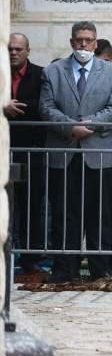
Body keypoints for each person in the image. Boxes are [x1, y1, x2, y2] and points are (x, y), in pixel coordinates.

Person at [39, 21, 112, 282]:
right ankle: (65, 269)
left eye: (88, 40)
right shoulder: (53, 71)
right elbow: (46, 108)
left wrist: (90, 124)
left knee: (101, 214)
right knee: (65, 213)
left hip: (100, 154)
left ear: (96, 43)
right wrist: (70, 128)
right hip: (64, 153)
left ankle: (102, 270)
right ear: (71, 42)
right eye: (79, 39)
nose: (83, 44)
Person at [5, 33, 45, 272]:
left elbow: (44, 106)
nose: (13, 52)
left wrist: (14, 107)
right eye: (10, 48)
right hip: (4, 150)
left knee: (31, 205)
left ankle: (30, 259)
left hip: (32, 151)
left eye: (18, 49)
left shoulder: (40, 75)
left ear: (28, 50)